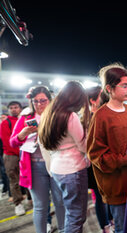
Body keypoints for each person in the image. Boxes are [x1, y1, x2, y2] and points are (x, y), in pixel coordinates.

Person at [87, 63, 127, 233]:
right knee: (123, 228)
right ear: (109, 88)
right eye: (124, 86)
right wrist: (125, 160)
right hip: (117, 186)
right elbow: (96, 156)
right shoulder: (101, 117)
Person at [9, 86, 65, 232]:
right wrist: (23, 133)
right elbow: (12, 142)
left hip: (57, 164)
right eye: (35, 101)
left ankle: (64, 229)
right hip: (35, 167)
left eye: (43, 101)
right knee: (40, 205)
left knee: (60, 202)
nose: (39, 104)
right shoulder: (25, 117)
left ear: (50, 100)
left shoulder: (57, 116)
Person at [38, 81, 90, 233]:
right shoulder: (70, 116)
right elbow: (83, 145)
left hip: (57, 168)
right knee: (76, 217)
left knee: (71, 212)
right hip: (73, 169)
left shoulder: (49, 113)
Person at [86, 85, 113, 233]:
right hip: (95, 164)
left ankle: (111, 221)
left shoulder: (104, 115)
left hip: (107, 162)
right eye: (102, 96)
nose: (106, 99)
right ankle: (105, 226)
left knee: (108, 194)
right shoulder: (88, 118)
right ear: (92, 100)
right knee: (100, 196)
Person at [0, 101, 26, 216]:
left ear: (20, 109)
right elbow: (7, 141)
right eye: (11, 108)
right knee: (14, 180)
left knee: (28, 177)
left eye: (16, 107)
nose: (14, 109)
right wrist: (19, 151)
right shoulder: (5, 123)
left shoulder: (25, 120)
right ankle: (18, 204)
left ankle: (32, 198)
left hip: (24, 152)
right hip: (11, 155)